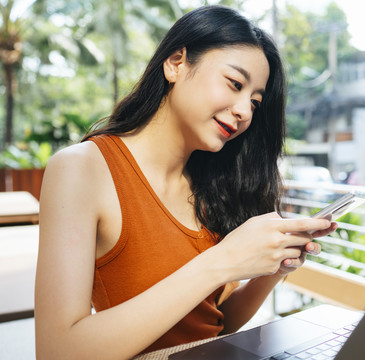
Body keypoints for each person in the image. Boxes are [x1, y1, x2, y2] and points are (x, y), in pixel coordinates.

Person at [34, 5, 337, 359]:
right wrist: (222, 261)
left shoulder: (212, 184)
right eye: (235, 84)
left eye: (255, 102)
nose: (244, 111)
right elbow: (57, 351)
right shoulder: (81, 169)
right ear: (176, 63)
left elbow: (213, 328)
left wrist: (272, 271)